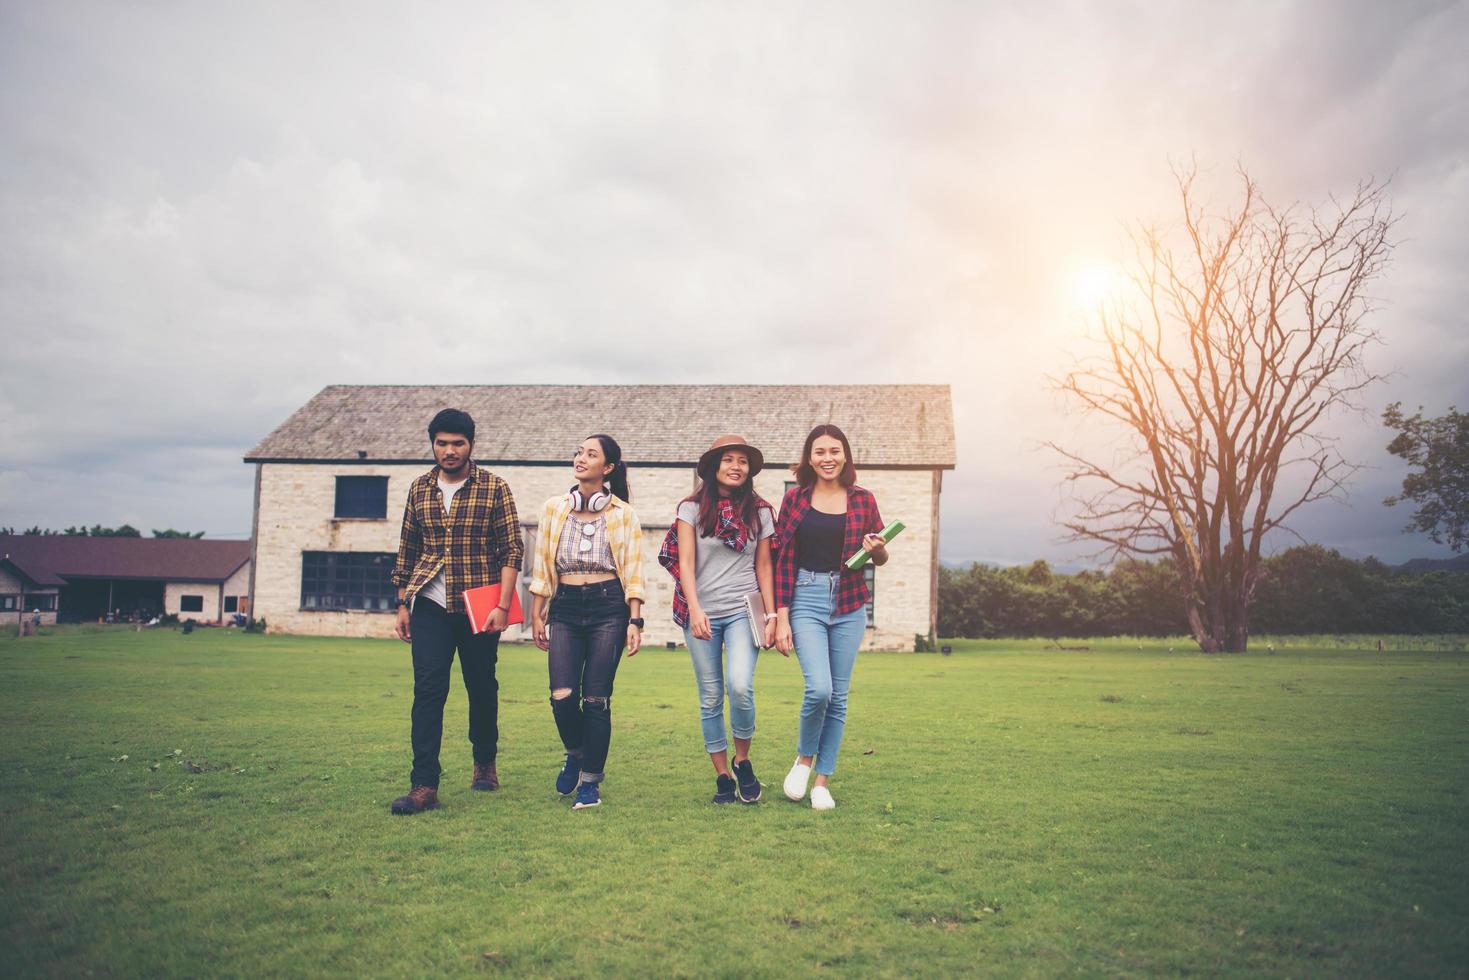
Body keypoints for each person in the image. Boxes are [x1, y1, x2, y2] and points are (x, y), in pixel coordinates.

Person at [388, 408, 523, 816]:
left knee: (481, 687)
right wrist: (401, 602)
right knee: (428, 691)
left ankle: (485, 763)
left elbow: (511, 548)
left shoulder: (494, 488)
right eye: (442, 443)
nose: (449, 451)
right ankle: (424, 784)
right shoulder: (419, 489)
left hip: (479, 606)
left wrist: (502, 605)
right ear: (432, 444)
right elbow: (407, 547)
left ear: (471, 446)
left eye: (457, 444)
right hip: (429, 603)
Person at [772, 424, 893, 811]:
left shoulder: (863, 499)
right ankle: (803, 759)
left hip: (850, 602)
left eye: (835, 451)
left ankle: (822, 781)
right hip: (805, 596)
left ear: (846, 455)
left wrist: (877, 549)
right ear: (810, 457)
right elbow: (782, 559)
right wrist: (783, 616)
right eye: (820, 451)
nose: (828, 458)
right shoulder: (795, 500)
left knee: (838, 697)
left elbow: (880, 559)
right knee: (819, 689)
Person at [657, 435, 779, 804]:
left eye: (742, 460)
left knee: (740, 686)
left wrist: (772, 614)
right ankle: (723, 776)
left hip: (744, 609)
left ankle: (742, 762)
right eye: (728, 459)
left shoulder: (760, 511)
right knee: (710, 696)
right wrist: (695, 609)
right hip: (703, 611)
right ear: (714, 466)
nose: (736, 466)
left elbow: (764, 566)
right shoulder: (691, 509)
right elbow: (687, 564)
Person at [529, 435, 645, 811]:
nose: (580, 458)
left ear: (607, 468)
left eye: (591, 454)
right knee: (561, 697)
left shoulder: (623, 514)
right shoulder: (553, 508)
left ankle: (590, 783)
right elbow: (543, 562)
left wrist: (635, 619)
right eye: (579, 452)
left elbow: (633, 570)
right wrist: (537, 608)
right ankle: (576, 753)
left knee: (596, 699)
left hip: (608, 606)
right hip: (565, 606)